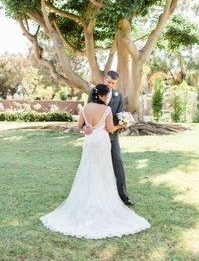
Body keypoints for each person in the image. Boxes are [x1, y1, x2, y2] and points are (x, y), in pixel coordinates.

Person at [40, 84, 150, 239]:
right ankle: (103, 201)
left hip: (90, 142)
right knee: (103, 170)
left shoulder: (85, 108)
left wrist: (85, 129)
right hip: (103, 142)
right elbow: (111, 129)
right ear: (103, 96)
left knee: (88, 170)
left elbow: (79, 126)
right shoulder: (107, 110)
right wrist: (124, 124)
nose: (108, 98)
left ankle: (85, 200)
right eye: (107, 95)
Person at [87, 70, 134, 206]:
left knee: (118, 162)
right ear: (104, 79)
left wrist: (123, 124)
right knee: (95, 164)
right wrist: (86, 127)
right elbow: (88, 110)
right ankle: (94, 195)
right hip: (97, 136)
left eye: (113, 83)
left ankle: (124, 196)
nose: (110, 85)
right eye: (108, 82)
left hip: (112, 136)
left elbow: (119, 115)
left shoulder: (118, 96)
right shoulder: (95, 91)